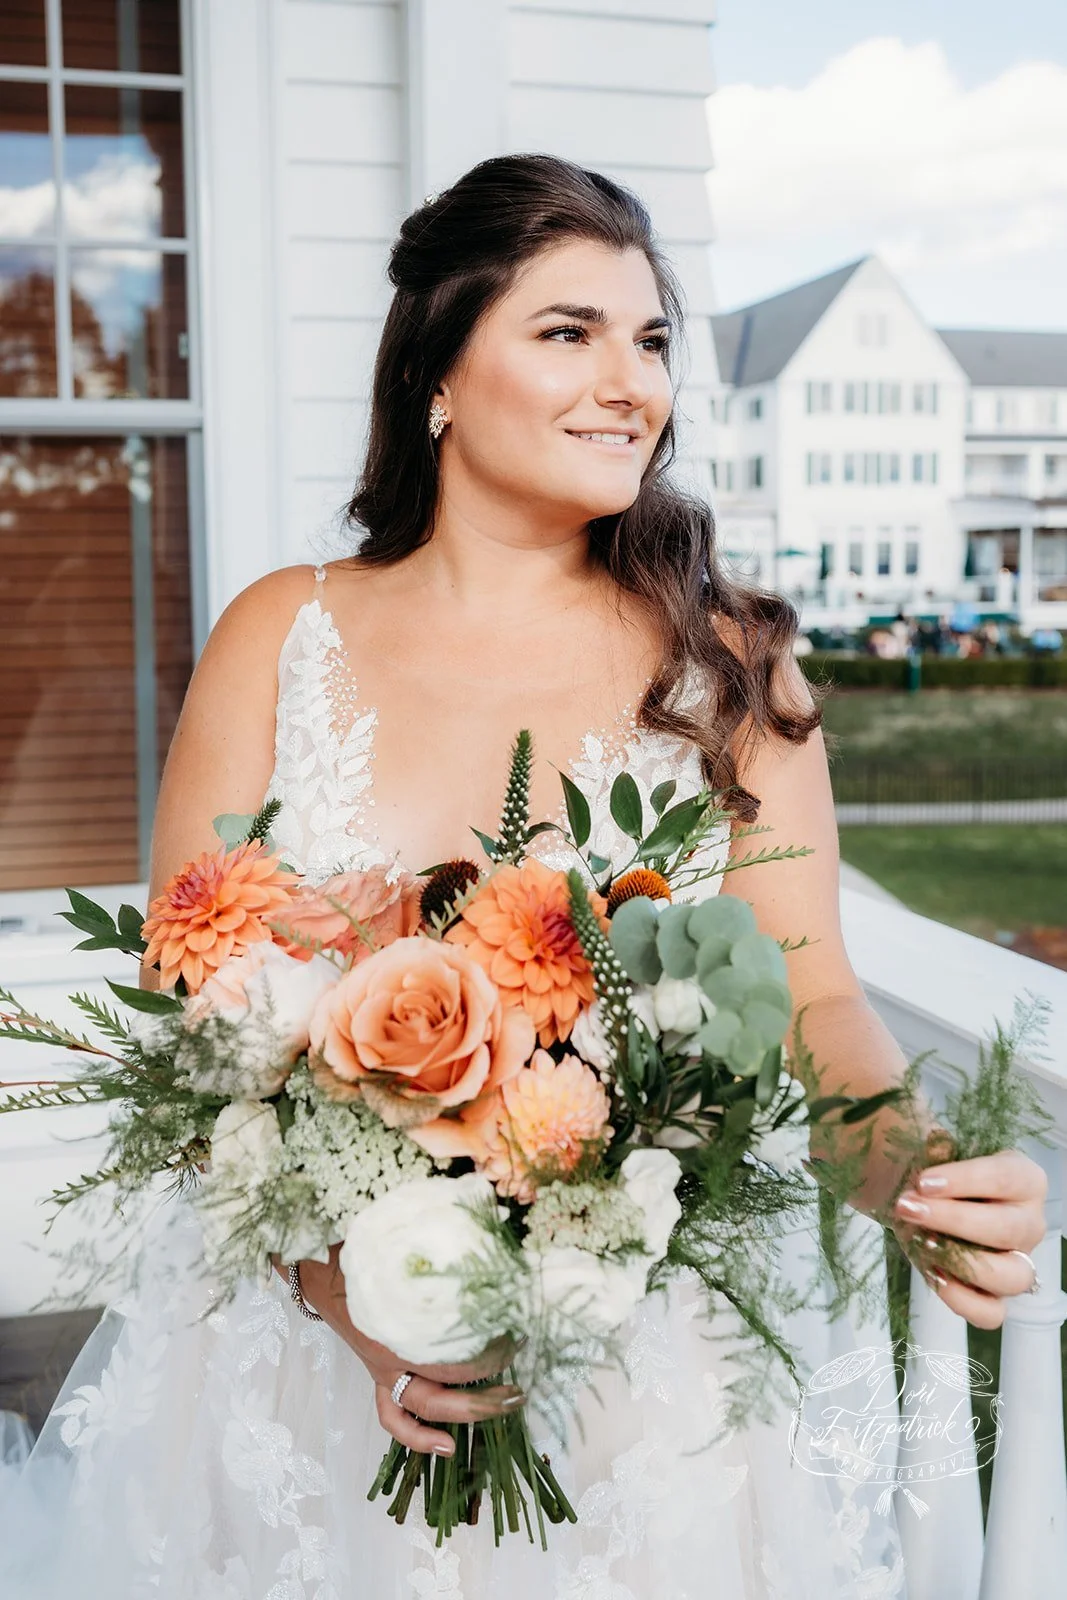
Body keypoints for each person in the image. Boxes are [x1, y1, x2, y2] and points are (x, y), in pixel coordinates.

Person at [0, 155, 1047, 1598]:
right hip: (297, 1364)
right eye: (569, 332)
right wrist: (354, 1302)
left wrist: (920, 1178)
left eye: (652, 339)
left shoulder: (729, 664)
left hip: (643, 1385)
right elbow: (197, 1032)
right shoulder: (277, 636)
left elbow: (808, 1003)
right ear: (435, 372)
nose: (632, 383)